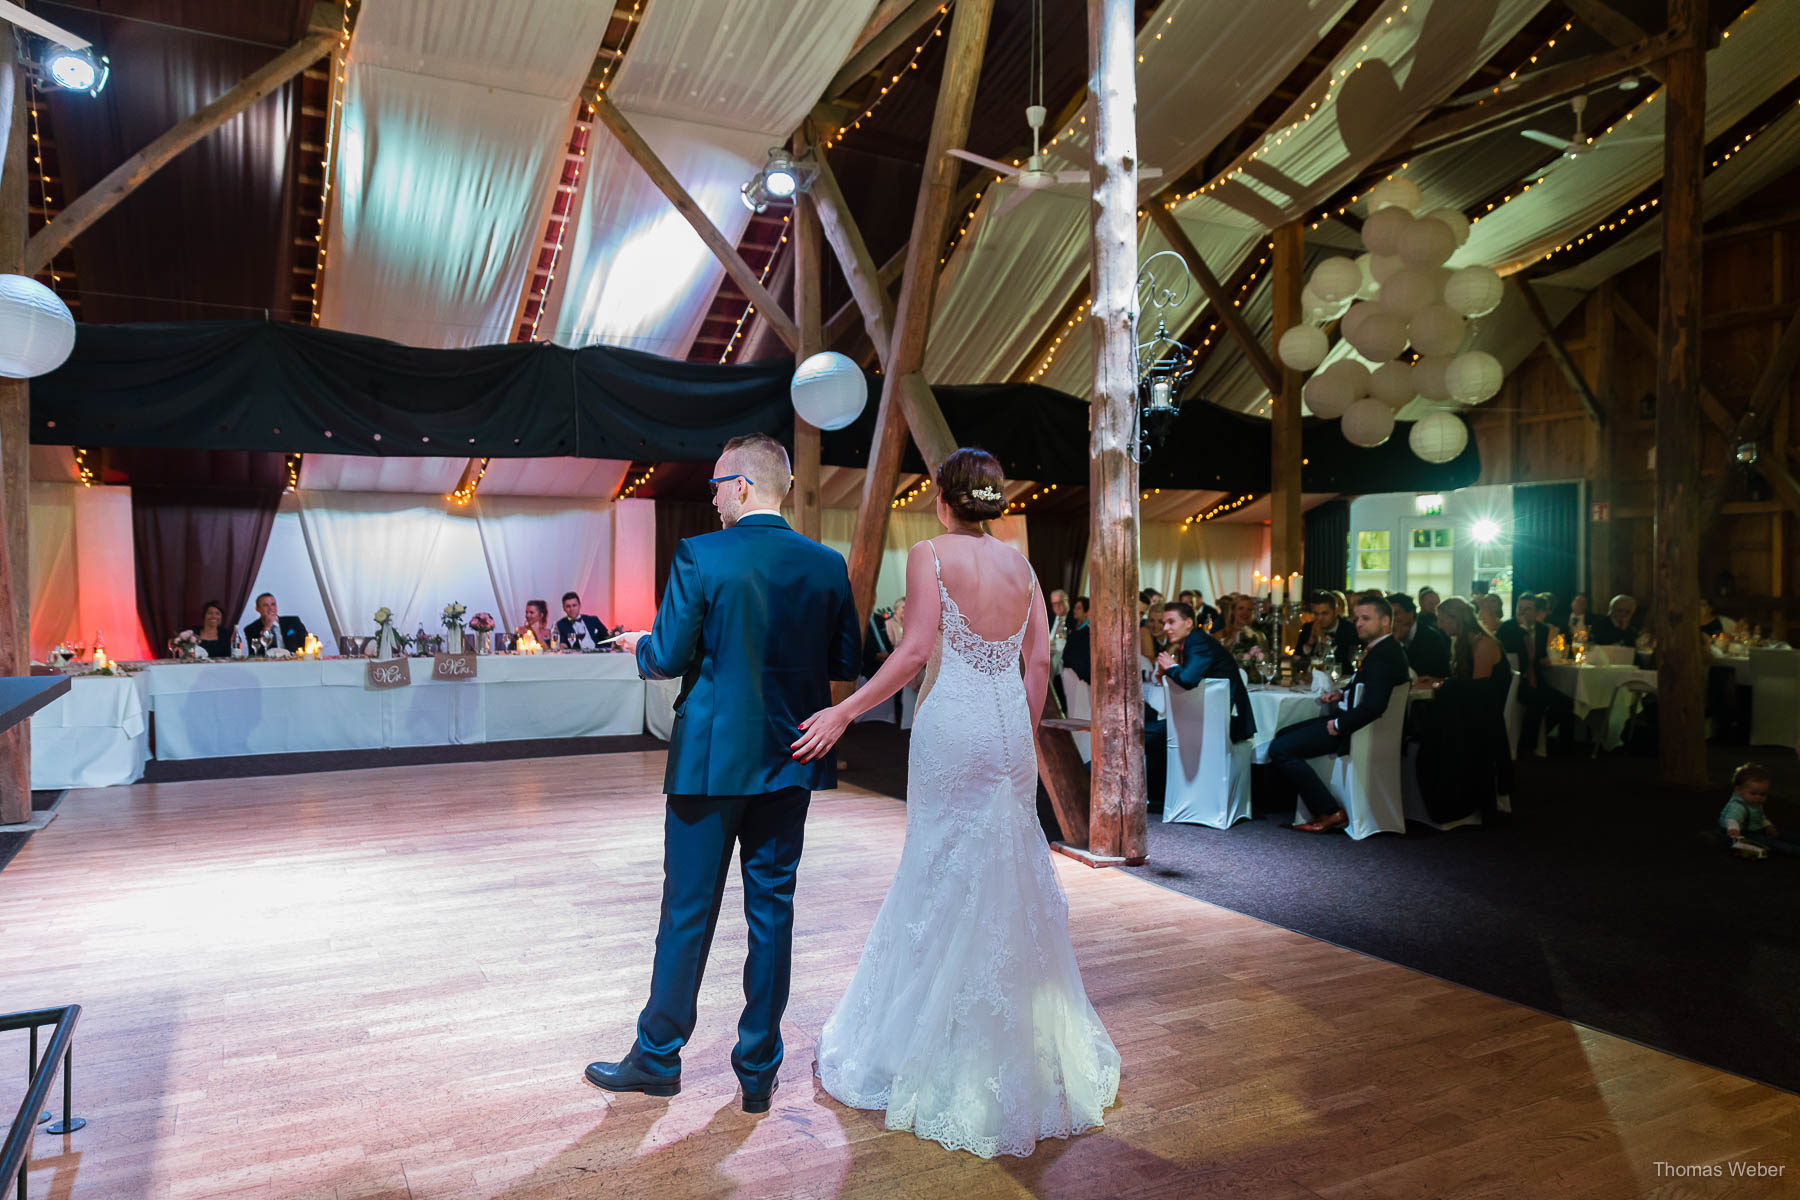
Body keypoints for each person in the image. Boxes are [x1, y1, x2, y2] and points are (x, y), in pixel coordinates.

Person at [791, 446, 1120, 1157]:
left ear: (943, 499)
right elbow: (1038, 663)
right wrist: (1021, 728)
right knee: (1005, 875)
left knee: (936, 871)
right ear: (994, 502)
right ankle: (1003, 1037)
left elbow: (912, 655)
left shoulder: (930, 553)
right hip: (1008, 730)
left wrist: (845, 712)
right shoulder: (1023, 568)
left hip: (953, 726)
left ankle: (930, 1039)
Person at [593, 434, 862, 1115]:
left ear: (743, 486)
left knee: (687, 912)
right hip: (792, 760)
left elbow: (668, 655)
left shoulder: (701, 555)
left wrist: (640, 646)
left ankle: (657, 1058)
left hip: (710, 763)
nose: (711, 498)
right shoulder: (828, 566)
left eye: (716, 485)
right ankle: (757, 1071)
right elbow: (845, 661)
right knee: (772, 915)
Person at [1268, 595, 1411, 834]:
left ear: (1386, 621)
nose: (1359, 624)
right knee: (1283, 733)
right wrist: (1342, 693)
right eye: (1357, 618)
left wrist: (1340, 724)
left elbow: (1375, 706)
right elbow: (1366, 686)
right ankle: (1296, 803)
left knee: (1280, 748)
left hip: (1356, 729)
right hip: (1356, 723)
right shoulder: (1384, 650)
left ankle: (1329, 811)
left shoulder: (1384, 656)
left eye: (1366, 618)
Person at [1155, 602, 1254, 742]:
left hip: (1226, 722)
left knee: (1147, 733)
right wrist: (1168, 674)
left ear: (1188, 622)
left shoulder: (1197, 642)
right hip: (1211, 716)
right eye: (1164, 623)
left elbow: (1188, 680)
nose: (1165, 628)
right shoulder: (1193, 640)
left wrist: (1171, 667)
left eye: (1171, 622)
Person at [1498, 594, 1576, 756]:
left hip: (1537, 679)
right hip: (1515, 681)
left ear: (1537, 612)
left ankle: (1564, 748)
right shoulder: (1508, 628)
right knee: (1537, 701)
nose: (1523, 613)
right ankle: (1528, 747)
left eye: (1528, 609)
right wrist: (1524, 630)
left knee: (1567, 703)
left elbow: (1540, 654)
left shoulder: (1543, 629)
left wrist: (1545, 659)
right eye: (1520, 609)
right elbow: (1505, 653)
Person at [1719, 763, 1797, 857]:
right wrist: (1734, 829)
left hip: (1754, 827)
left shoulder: (1753, 802)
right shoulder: (1738, 806)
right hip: (1741, 832)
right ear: (1738, 790)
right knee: (1770, 842)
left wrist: (1768, 825)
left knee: (1781, 833)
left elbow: (1760, 816)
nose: (1758, 797)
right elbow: (1732, 818)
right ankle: (1794, 850)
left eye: (1763, 794)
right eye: (1753, 793)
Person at [1388, 592, 1451, 680]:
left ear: (1410, 614)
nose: (1391, 619)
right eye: (1388, 615)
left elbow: (1416, 673)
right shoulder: (1390, 635)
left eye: (1396, 614)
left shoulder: (1431, 637)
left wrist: (1398, 645)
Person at [1294, 591, 1358, 673]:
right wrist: (1309, 643)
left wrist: (1322, 638)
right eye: (1316, 614)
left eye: (1325, 613)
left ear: (1336, 611)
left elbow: (1344, 663)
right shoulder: (1308, 628)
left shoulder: (1349, 629)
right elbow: (1296, 662)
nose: (1320, 618)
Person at [243, 592, 309, 655]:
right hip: (268, 665)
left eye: (273, 604)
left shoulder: (293, 621)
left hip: (293, 662)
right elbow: (256, 654)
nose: (271, 608)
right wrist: (267, 627)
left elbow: (307, 642)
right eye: (265, 605)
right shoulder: (251, 629)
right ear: (258, 609)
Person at [1063, 596, 1092, 685]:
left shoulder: (1088, 633)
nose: (1075, 610)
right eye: (1075, 607)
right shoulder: (1074, 627)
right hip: (1069, 672)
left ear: (1086, 612)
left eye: (1079, 608)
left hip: (1079, 678)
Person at [1139, 588, 1164, 661]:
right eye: (1152, 620)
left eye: (1160, 621)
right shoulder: (1144, 631)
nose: (1155, 625)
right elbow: (1150, 661)